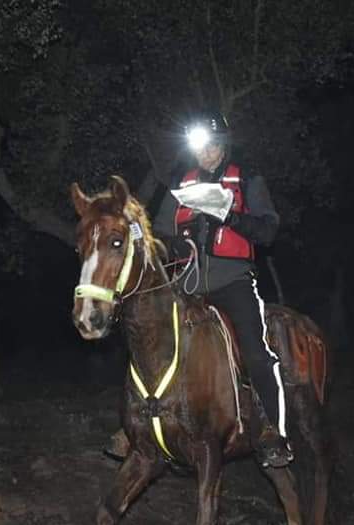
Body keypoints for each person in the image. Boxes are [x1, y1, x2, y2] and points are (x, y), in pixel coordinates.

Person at [109, 111, 293, 467]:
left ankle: (274, 429)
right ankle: (134, 426)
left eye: (212, 145)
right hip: (186, 284)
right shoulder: (181, 186)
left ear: (223, 145)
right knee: (145, 334)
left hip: (232, 282)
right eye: (199, 147)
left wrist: (231, 217)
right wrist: (157, 239)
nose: (206, 153)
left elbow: (268, 232)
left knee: (255, 351)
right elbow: (161, 235)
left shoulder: (249, 181)